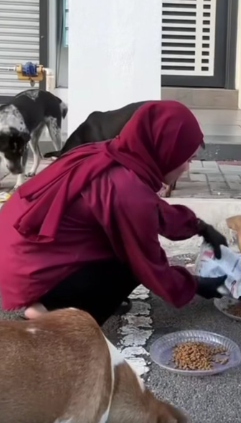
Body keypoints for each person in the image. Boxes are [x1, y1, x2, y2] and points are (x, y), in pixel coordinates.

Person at [0, 100, 229, 325]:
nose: (188, 168)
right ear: (166, 149)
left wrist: (199, 227)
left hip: (19, 249)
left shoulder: (113, 153)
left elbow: (152, 209)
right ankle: (50, 311)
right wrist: (195, 285)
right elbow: (149, 264)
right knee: (129, 263)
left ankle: (55, 297)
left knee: (121, 244)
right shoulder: (127, 189)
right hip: (26, 265)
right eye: (187, 158)